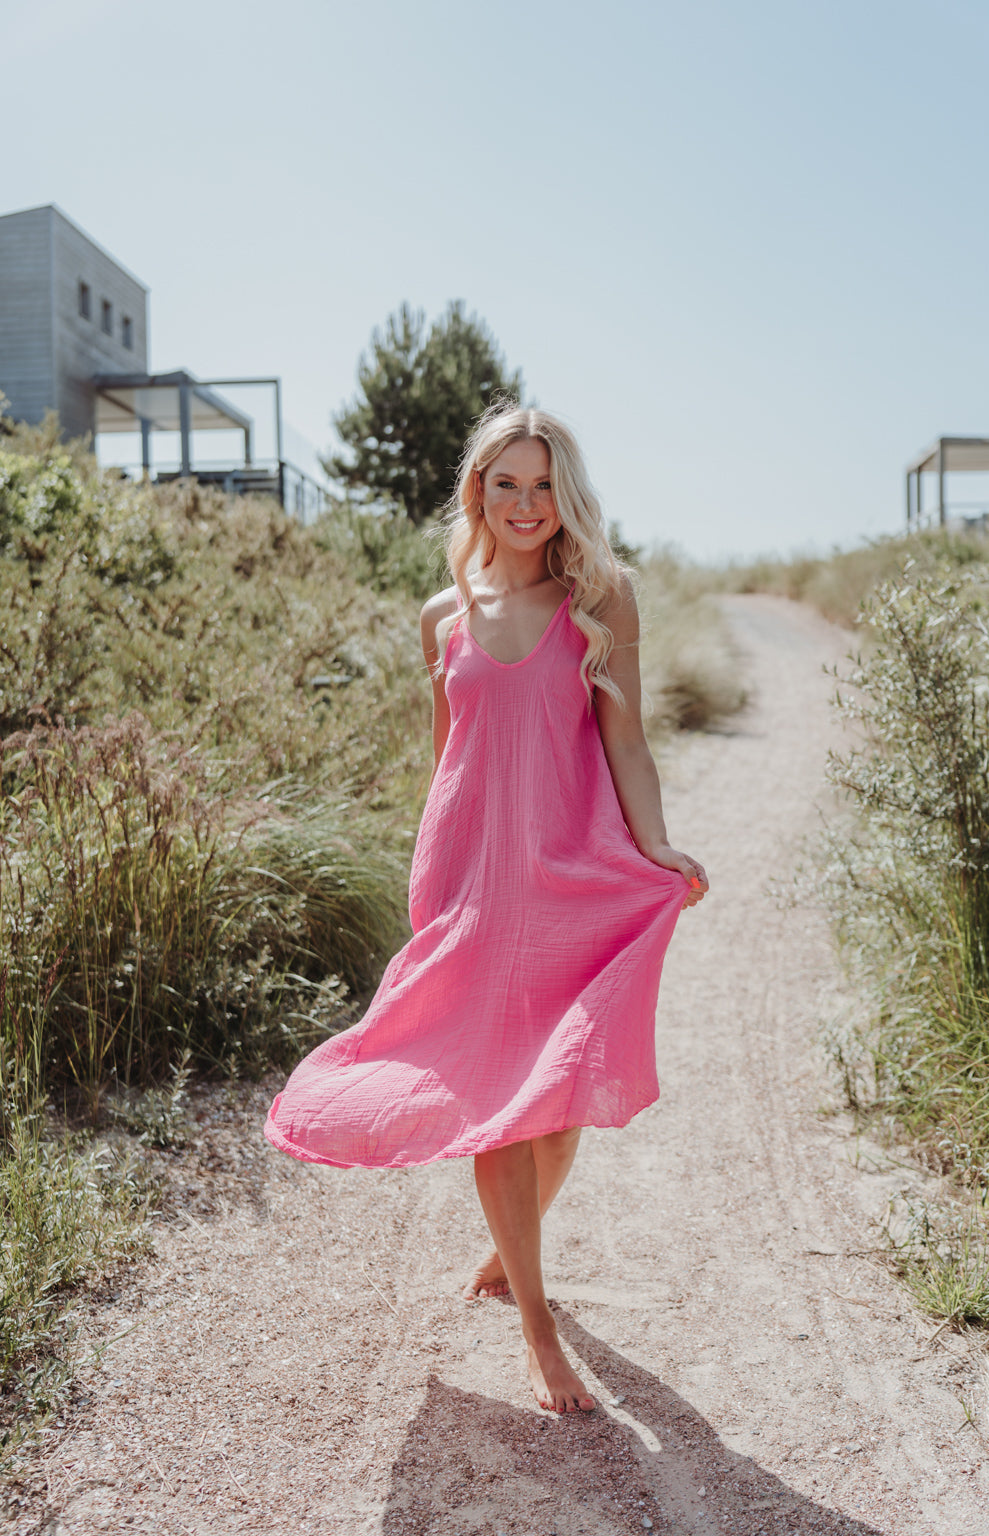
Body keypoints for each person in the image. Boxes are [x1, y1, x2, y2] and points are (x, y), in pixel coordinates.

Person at [264, 404, 708, 1415]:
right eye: (504, 484)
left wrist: (654, 847)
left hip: (569, 869)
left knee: (556, 1101)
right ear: (476, 491)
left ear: (566, 496)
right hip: (473, 881)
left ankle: (512, 1249)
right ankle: (536, 1323)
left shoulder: (600, 598)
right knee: (500, 1104)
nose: (523, 504)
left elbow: (627, 743)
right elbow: (447, 757)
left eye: (541, 485)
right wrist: (436, 881)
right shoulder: (443, 616)